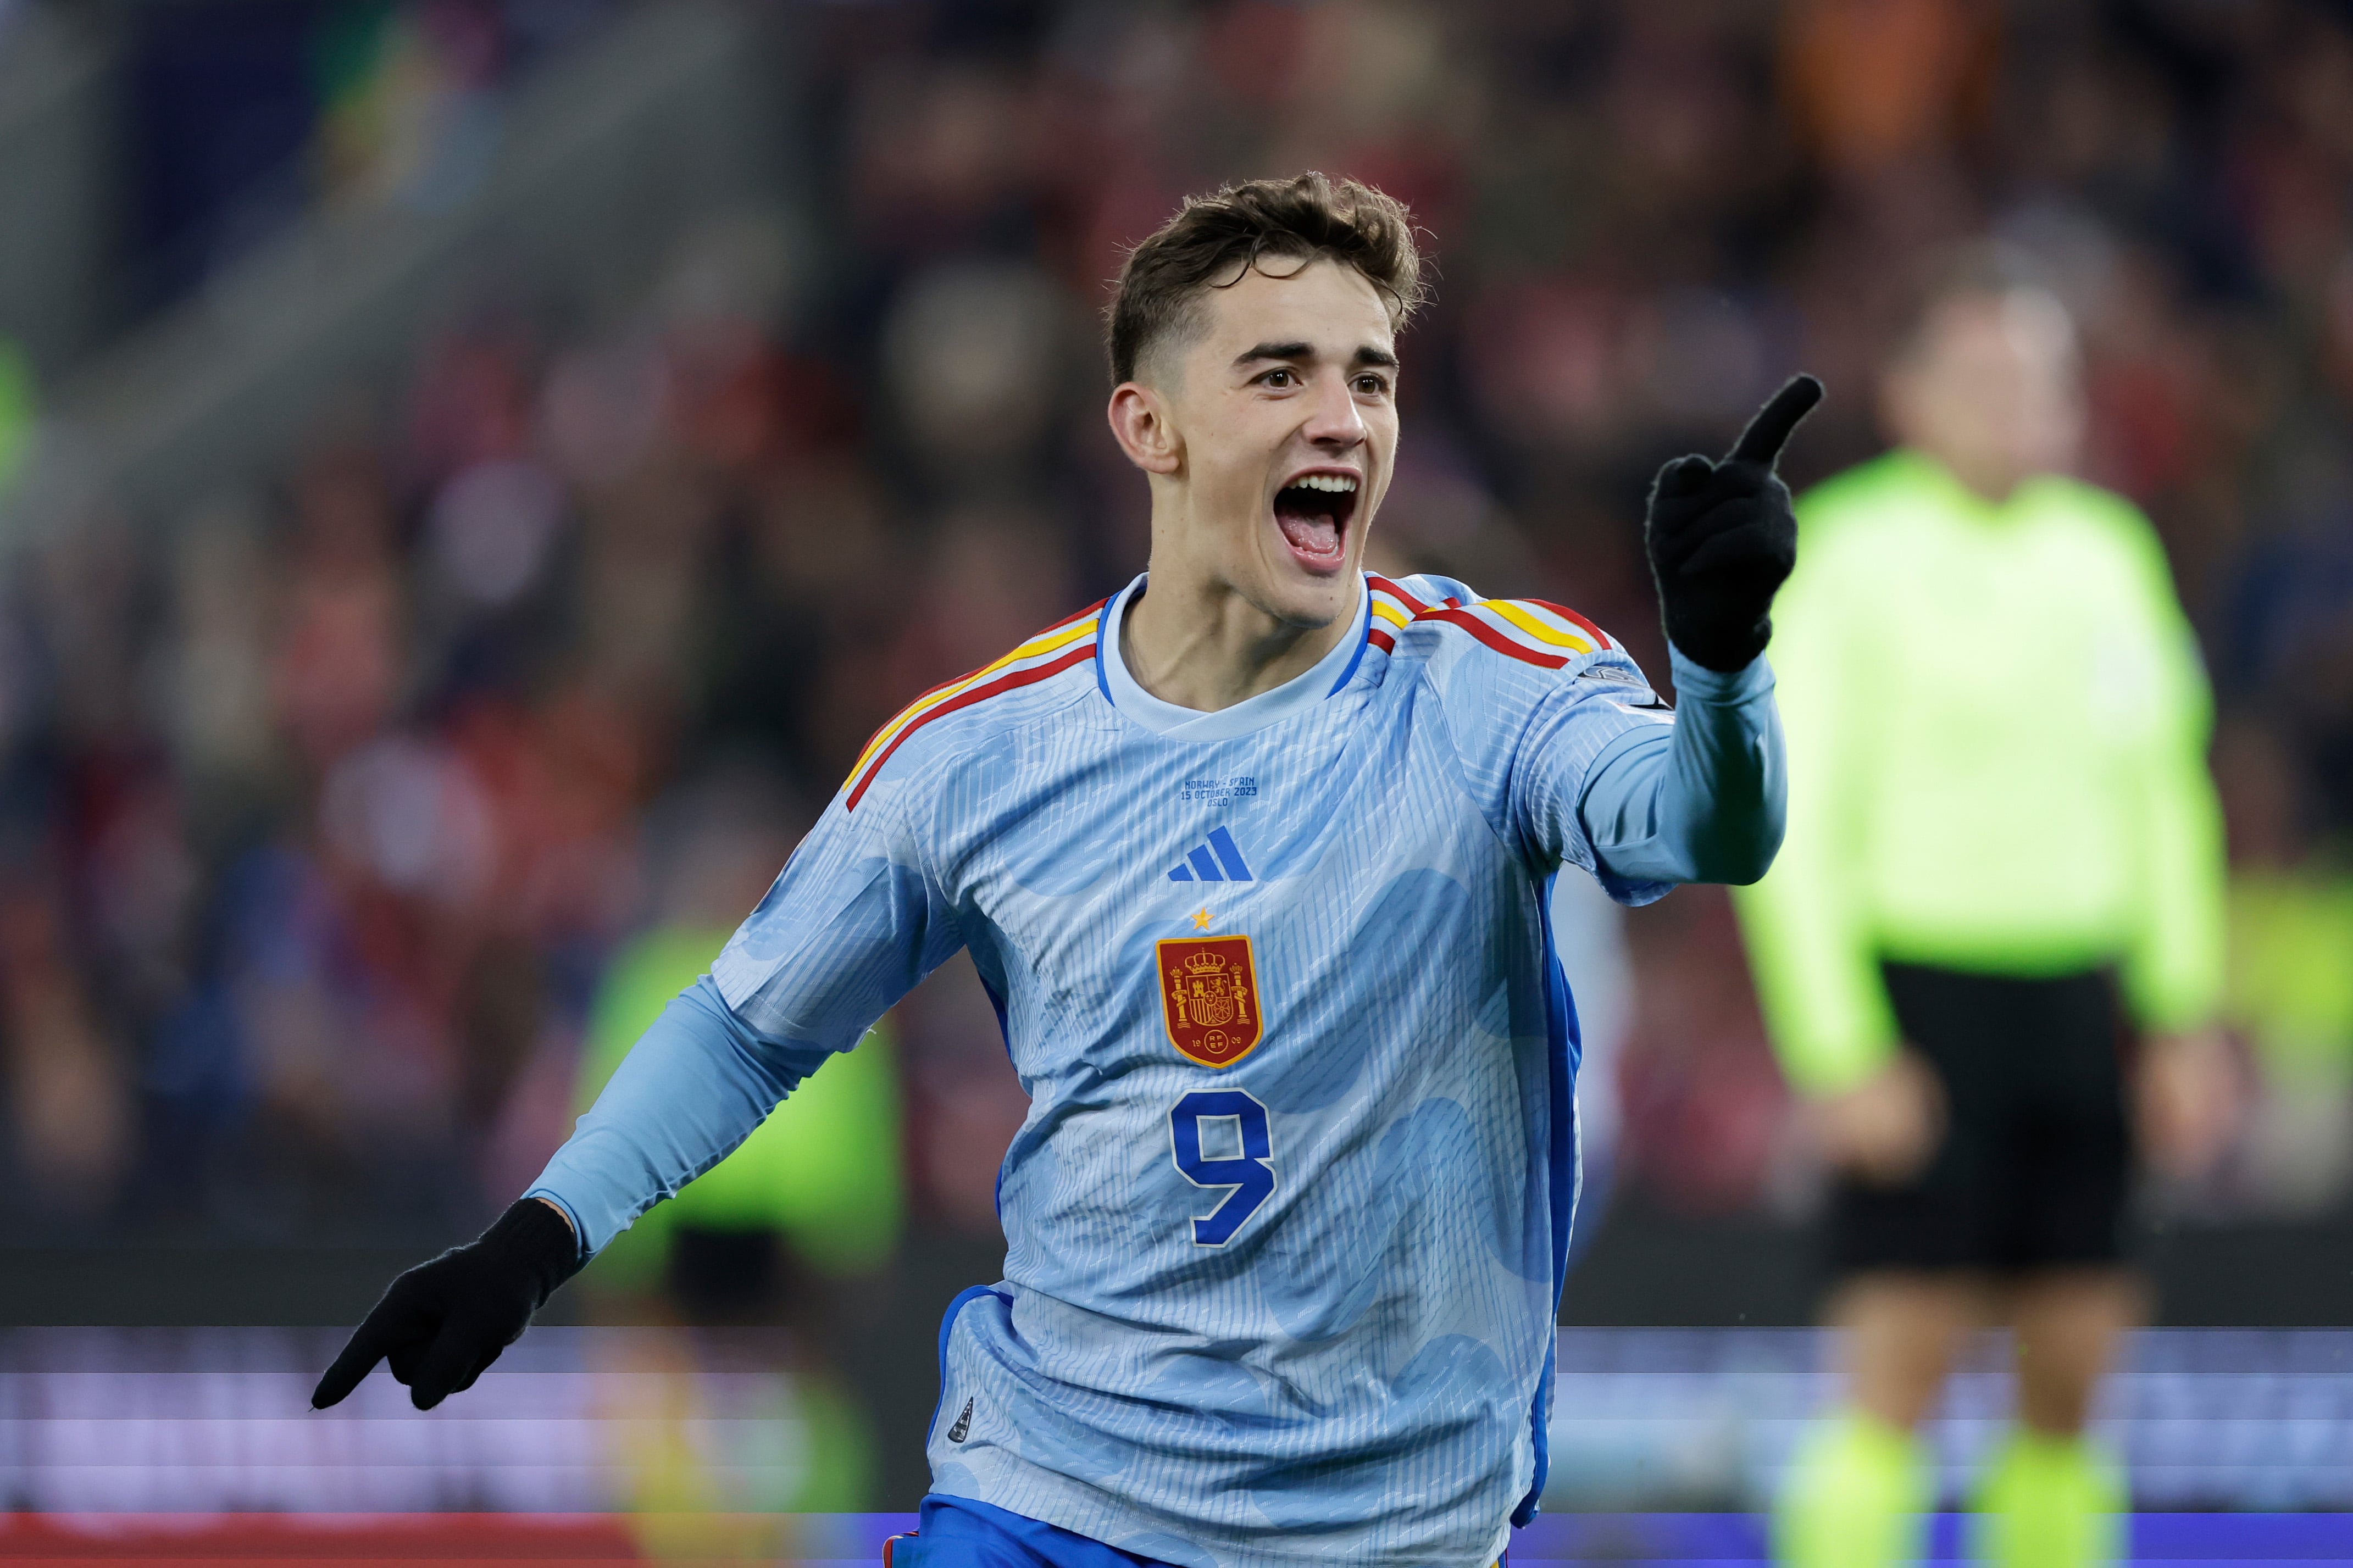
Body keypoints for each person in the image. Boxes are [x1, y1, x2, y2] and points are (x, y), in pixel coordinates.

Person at [314, 173, 1818, 1567]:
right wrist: (533, 1237)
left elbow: (1708, 827)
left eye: (1371, 376)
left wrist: (1722, 659)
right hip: (1051, 1500)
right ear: (1147, 428)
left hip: (1385, 1531)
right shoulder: (982, 751)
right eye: (1279, 372)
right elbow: (750, 1022)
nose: (1344, 417)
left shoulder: (1491, 683)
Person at [1732, 250, 2234, 1568]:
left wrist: (2179, 1013)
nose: (2012, 401)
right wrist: (1837, 1046)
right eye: (1981, 375)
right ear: (1910, 395)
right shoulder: (1844, 553)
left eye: (2037, 378)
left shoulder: (2107, 554)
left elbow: (2163, 797)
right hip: (1918, 993)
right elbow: (1794, 822)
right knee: (1897, 1367)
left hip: (2082, 999)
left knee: (2072, 1373)